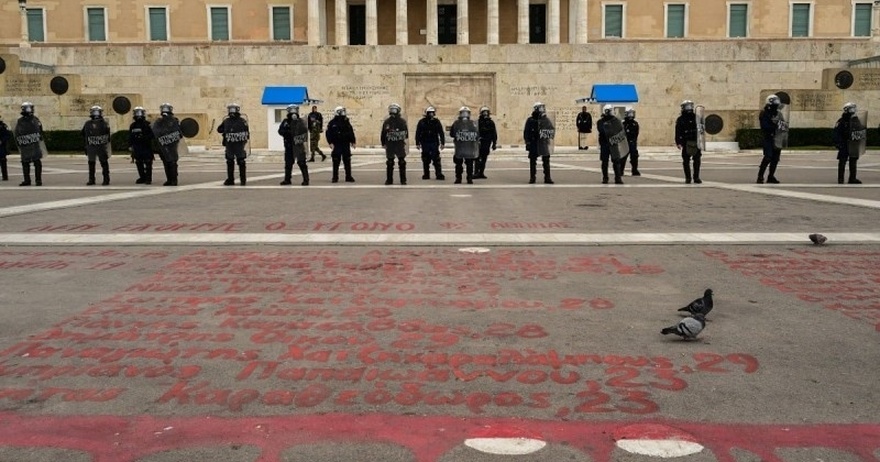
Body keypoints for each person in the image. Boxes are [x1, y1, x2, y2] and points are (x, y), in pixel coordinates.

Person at [217, 103, 250, 186]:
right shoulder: (231, 121)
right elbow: (219, 129)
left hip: (236, 144)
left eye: (233, 109)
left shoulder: (239, 121)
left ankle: (238, 180)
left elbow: (246, 132)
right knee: (233, 161)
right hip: (233, 144)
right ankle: (236, 180)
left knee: (237, 161)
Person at [13, 102, 45, 187]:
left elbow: (40, 131)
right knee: (25, 163)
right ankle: (27, 180)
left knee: (37, 162)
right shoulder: (22, 121)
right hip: (26, 145)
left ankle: (38, 180)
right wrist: (20, 141)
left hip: (34, 144)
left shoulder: (35, 120)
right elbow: (17, 133)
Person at [523, 102, 555, 184]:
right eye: (540, 108)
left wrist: (547, 135)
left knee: (546, 160)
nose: (542, 109)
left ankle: (547, 177)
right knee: (532, 161)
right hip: (534, 142)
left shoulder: (545, 119)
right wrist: (528, 142)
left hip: (543, 142)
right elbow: (526, 132)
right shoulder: (530, 120)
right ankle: (532, 177)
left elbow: (551, 129)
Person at [278, 104, 310, 186]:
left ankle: (306, 180)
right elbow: (280, 131)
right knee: (288, 164)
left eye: (295, 110)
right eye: (291, 110)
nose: (293, 112)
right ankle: (287, 179)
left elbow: (304, 131)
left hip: (298, 145)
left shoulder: (300, 121)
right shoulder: (285, 122)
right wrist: (288, 132)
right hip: (289, 145)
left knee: (302, 163)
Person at [152, 102, 183, 186]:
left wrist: (169, 137)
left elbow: (179, 133)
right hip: (163, 145)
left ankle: (174, 180)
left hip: (172, 145)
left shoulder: (175, 121)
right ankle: (169, 179)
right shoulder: (159, 121)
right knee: (166, 163)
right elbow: (155, 132)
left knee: (172, 162)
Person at [756, 94, 785, 184]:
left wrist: (781, 127)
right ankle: (760, 177)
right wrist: (774, 125)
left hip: (777, 137)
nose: (776, 106)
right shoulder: (764, 114)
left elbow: (783, 124)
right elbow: (765, 126)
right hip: (768, 137)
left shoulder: (779, 113)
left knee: (775, 159)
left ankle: (771, 176)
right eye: (774, 104)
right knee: (768, 157)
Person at [81, 105, 112, 186]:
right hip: (92, 146)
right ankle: (92, 179)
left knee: (103, 163)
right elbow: (84, 134)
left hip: (101, 146)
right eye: (94, 112)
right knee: (92, 163)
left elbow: (107, 136)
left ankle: (106, 179)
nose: (96, 114)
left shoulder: (104, 123)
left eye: (97, 112)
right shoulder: (88, 124)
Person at [833, 102, 864, 185]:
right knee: (842, 161)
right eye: (851, 108)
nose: (853, 110)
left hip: (853, 144)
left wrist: (860, 139)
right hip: (844, 143)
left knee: (853, 161)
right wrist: (838, 143)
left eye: (854, 108)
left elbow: (860, 131)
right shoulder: (841, 121)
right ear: (847, 109)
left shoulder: (856, 120)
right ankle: (840, 178)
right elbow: (837, 133)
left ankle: (852, 178)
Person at [325, 106, 356, 183]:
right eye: (342, 111)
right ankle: (335, 177)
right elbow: (328, 133)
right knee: (336, 161)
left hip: (345, 143)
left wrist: (353, 141)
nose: (343, 113)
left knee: (347, 160)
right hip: (337, 144)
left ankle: (348, 176)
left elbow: (350, 132)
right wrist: (330, 142)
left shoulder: (346, 122)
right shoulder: (332, 123)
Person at [449, 106, 480, 184]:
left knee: (465, 164)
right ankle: (465, 178)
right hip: (463, 147)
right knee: (463, 164)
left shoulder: (471, 123)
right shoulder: (470, 123)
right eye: (463, 113)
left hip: (465, 147)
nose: (464, 114)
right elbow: (452, 133)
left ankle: (463, 178)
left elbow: (476, 134)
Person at [380, 103, 408, 185]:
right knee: (390, 162)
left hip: (399, 144)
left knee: (402, 162)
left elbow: (406, 133)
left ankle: (403, 180)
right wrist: (383, 143)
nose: (392, 111)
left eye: (394, 110)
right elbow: (383, 133)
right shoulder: (387, 122)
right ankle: (389, 180)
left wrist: (398, 134)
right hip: (390, 144)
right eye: (391, 109)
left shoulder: (402, 121)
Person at [415, 106, 446, 180]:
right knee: (425, 159)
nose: (431, 114)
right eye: (430, 113)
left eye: (432, 113)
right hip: (425, 143)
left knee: (436, 159)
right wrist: (417, 143)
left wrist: (442, 143)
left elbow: (441, 132)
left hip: (434, 142)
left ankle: (438, 174)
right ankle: (426, 174)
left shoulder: (436, 122)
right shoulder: (422, 122)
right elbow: (418, 132)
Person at [675, 99, 702, 184]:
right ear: (683, 108)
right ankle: (688, 177)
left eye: (690, 106)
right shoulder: (680, 119)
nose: (689, 108)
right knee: (686, 161)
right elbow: (678, 131)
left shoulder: (697, 117)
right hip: (686, 141)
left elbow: (701, 129)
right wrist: (678, 142)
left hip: (695, 141)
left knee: (697, 160)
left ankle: (696, 177)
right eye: (687, 106)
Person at [596, 104, 624, 184]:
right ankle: (605, 177)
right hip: (604, 144)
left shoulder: (616, 121)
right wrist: (610, 131)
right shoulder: (600, 122)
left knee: (616, 161)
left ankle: (618, 178)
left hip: (613, 143)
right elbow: (602, 130)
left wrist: (613, 138)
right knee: (604, 162)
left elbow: (621, 132)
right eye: (610, 110)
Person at [129, 106, 154, 185]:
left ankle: (148, 178)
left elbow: (151, 135)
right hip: (137, 146)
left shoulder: (147, 124)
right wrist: (130, 145)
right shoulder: (133, 125)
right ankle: (142, 177)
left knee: (148, 162)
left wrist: (143, 137)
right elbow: (130, 136)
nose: (138, 115)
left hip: (146, 146)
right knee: (139, 162)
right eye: (136, 113)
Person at [475, 106, 497, 179]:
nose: (485, 113)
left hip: (487, 142)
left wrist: (494, 143)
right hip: (479, 142)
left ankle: (481, 172)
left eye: (486, 112)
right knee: (477, 158)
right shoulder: (478, 122)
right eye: (484, 112)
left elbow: (494, 133)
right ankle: (476, 172)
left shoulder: (491, 122)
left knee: (484, 158)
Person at [622, 107, 641, 176]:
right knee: (623, 157)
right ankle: (621, 170)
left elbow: (636, 133)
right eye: (629, 114)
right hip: (625, 143)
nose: (631, 115)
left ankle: (634, 170)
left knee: (634, 157)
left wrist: (633, 140)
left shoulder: (635, 124)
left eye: (632, 113)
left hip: (632, 142)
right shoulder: (624, 124)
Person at [0, 115, 11, 181]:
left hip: (1, 147)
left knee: (3, 161)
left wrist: (2, 140)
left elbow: (7, 135)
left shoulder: (2, 126)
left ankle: (5, 176)